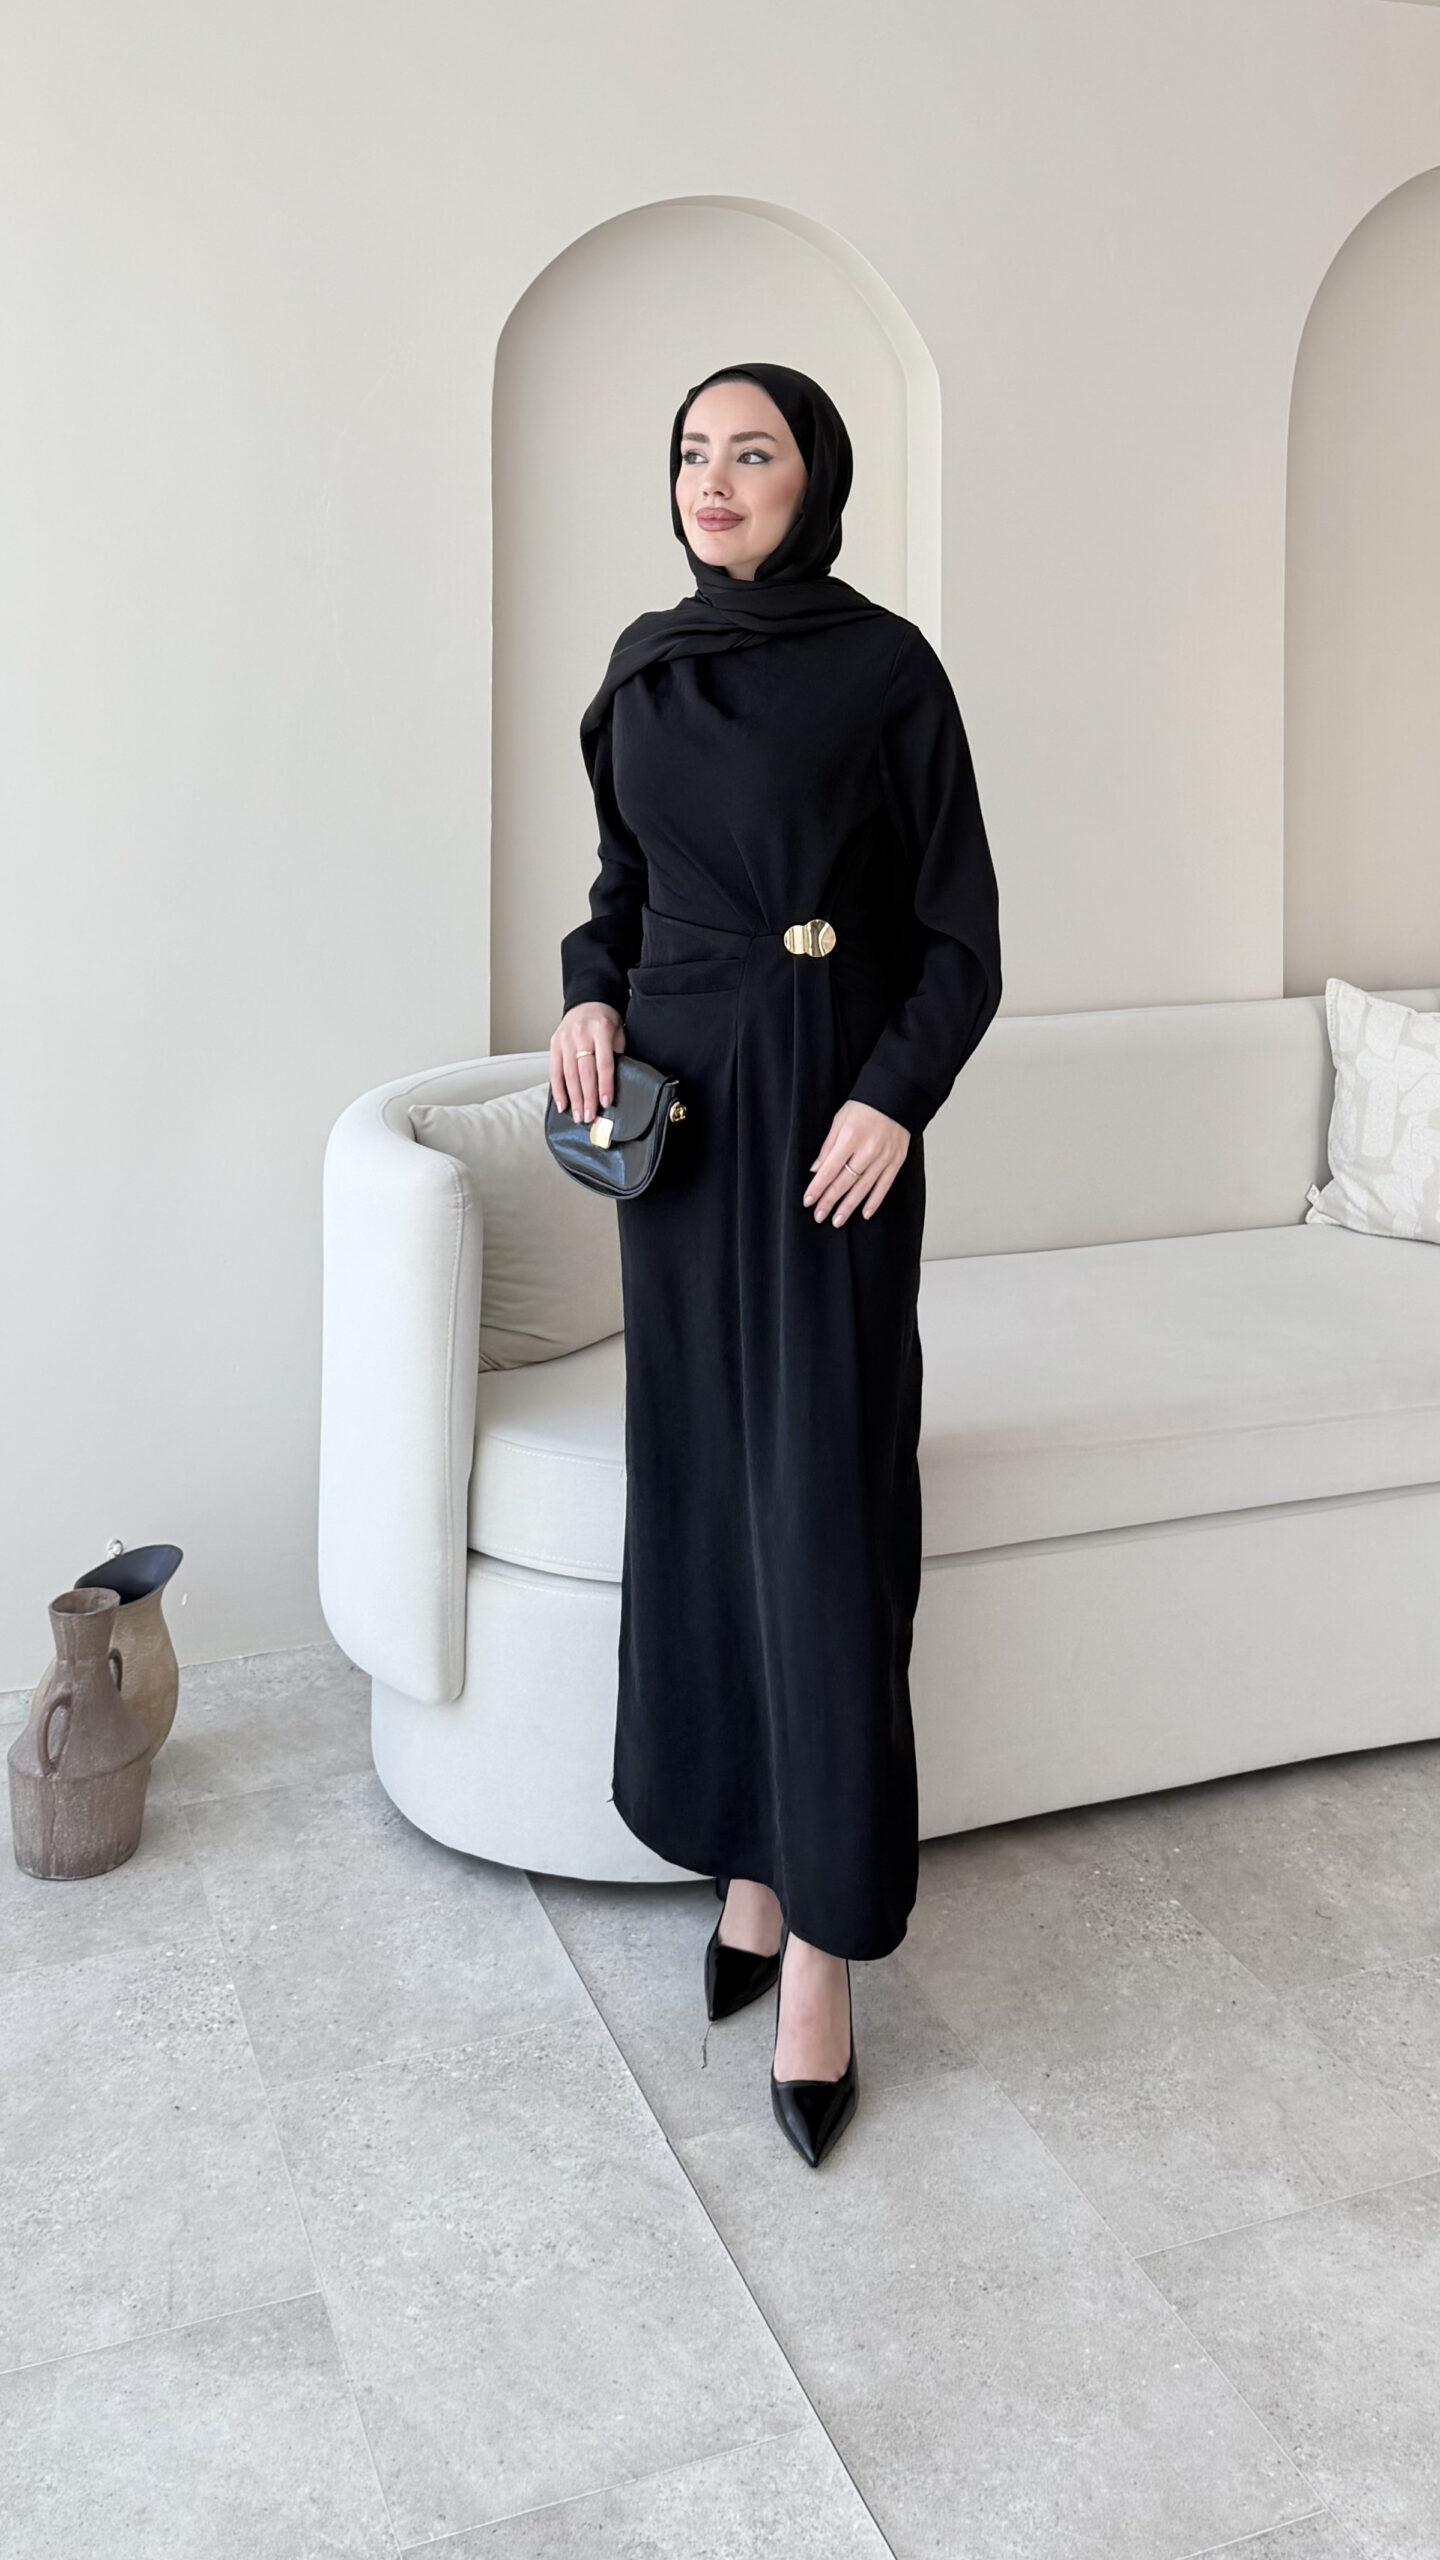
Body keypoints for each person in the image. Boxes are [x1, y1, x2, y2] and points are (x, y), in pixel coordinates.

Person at [551, 361, 1002, 2167]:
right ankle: (742, 1855)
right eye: (693, 451)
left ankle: (824, 1942)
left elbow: (962, 938)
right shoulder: (645, 666)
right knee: (707, 1501)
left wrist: (894, 1100)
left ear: (816, 477)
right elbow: (618, 891)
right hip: (683, 1134)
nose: (715, 478)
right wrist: (587, 999)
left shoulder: (887, 669)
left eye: (754, 451)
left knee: (821, 1517)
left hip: (828, 1131)